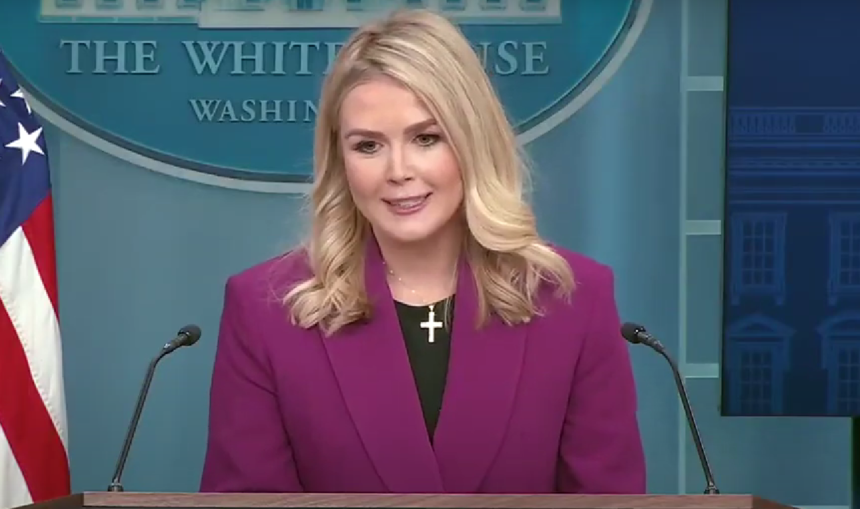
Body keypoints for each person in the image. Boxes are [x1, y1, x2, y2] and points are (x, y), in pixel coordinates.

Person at [199, 7, 646, 494]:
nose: (398, 171)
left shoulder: (573, 300)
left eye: (426, 138)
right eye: (368, 146)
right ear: (339, 161)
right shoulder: (266, 310)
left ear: (472, 142)